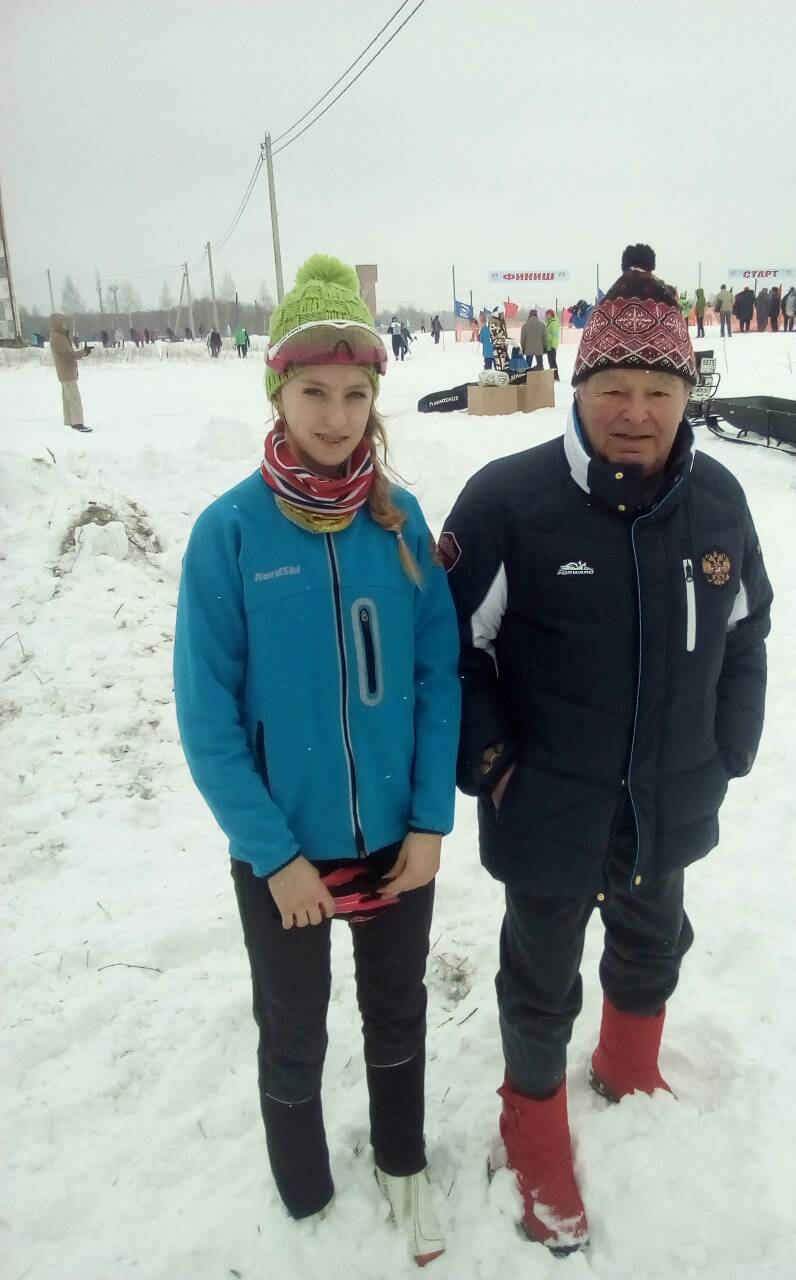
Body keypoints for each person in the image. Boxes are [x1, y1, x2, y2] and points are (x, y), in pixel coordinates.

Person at [440, 242, 772, 1255]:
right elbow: (449, 650)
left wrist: (729, 745)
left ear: (686, 394)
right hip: (547, 801)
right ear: (580, 389)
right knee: (541, 977)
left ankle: (629, 1062)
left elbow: (747, 629)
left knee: (653, 939)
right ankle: (533, 1129)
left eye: (659, 390)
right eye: (614, 388)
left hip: (667, 792)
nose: (637, 411)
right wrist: (494, 766)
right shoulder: (509, 502)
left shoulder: (719, 505)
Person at [174, 255, 460, 1266]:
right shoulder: (229, 534)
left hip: (395, 842)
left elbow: (437, 678)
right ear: (278, 392)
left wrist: (430, 820)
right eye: (314, 393)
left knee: (397, 1009)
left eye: (354, 395)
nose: (336, 417)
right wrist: (273, 854)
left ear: (374, 399)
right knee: (293, 1026)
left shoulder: (401, 521)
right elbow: (207, 719)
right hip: (286, 855)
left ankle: (402, 1162)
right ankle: (302, 1194)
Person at [49, 312, 92, 432]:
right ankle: (77, 422)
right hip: (67, 372)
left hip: (64, 372)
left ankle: (70, 421)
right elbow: (69, 354)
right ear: (58, 323)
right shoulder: (58, 337)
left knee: (67, 398)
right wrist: (83, 352)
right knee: (74, 398)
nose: (65, 324)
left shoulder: (58, 336)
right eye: (63, 322)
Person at [544, 308, 561, 379]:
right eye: (547, 314)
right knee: (550, 361)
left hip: (552, 345)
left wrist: (553, 346)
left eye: (550, 314)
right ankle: (553, 375)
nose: (548, 316)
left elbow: (555, 335)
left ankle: (556, 376)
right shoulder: (548, 323)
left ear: (552, 315)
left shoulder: (553, 323)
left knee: (552, 361)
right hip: (548, 345)